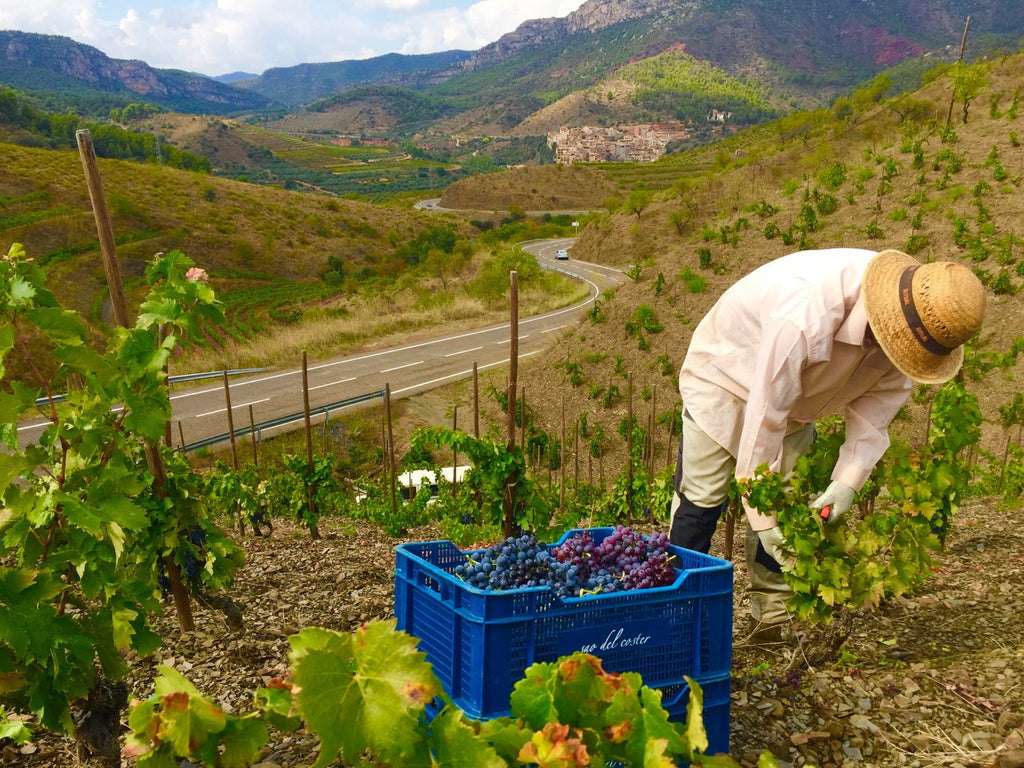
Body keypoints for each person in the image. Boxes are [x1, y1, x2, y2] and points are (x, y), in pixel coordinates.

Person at [668, 247, 986, 628]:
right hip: (723, 377)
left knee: (782, 506)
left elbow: (874, 416)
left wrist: (847, 481)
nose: (899, 357)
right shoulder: (807, 312)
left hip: (797, 401)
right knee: (702, 501)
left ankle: (770, 618)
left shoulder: (916, 337)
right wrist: (761, 518)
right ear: (883, 319)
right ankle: (675, 611)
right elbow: (766, 413)